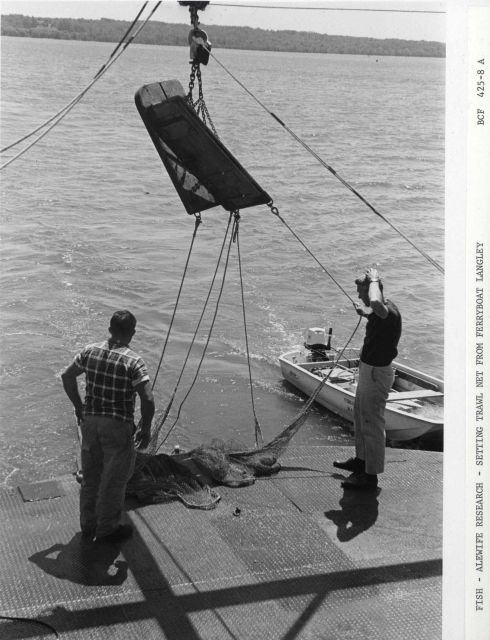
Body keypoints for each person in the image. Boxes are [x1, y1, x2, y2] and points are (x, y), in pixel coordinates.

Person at [62, 310, 155, 542]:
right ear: (132, 333)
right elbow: (147, 398)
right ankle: (107, 530)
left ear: (110, 329)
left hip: (90, 423)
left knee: (90, 477)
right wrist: (145, 428)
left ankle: (87, 525)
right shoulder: (133, 361)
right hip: (117, 426)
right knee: (114, 480)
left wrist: (79, 406)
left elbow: (67, 376)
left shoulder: (90, 351)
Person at [334, 267, 402, 491]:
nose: (359, 296)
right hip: (367, 370)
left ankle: (370, 477)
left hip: (376, 374)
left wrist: (373, 279)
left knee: (372, 424)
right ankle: (361, 461)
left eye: (362, 292)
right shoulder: (379, 311)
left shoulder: (386, 310)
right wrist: (363, 312)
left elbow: (375, 304)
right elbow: (373, 309)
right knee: (360, 417)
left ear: (375, 290)